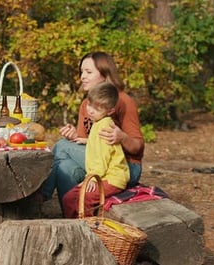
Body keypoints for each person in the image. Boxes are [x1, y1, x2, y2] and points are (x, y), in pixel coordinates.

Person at [42, 51, 144, 210]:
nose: (82, 76)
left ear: (105, 75)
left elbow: (138, 147)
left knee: (61, 146)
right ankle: (73, 219)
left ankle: (41, 195)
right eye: (81, 72)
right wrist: (74, 136)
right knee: (65, 167)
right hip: (97, 161)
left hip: (124, 167)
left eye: (88, 72)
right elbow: (86, 142)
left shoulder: (123, 101)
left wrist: (122, 137)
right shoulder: (87, 104)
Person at [61, 82, 130, 218]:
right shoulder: (99, 122)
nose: (90, 111)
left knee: (84, 198)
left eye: (96, 109)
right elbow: (102, 145)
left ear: (109, 111)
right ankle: (73, 224)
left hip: (112, 178)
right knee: (69, 198)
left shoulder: (104, 127)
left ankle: (87, 229)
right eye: (89, 105)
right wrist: (87, 140)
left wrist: (92, 178)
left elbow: (103, 157)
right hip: (102, 176)